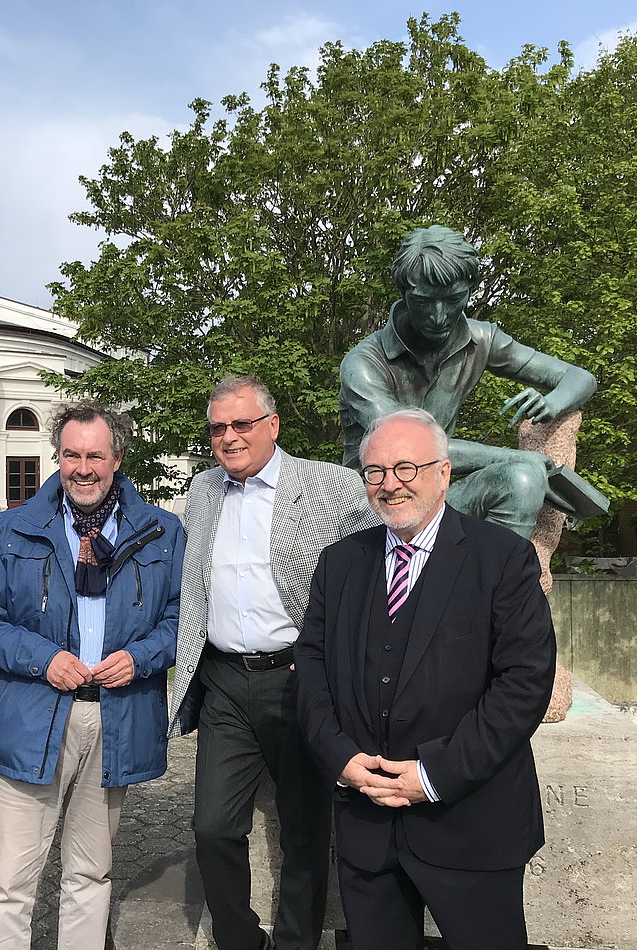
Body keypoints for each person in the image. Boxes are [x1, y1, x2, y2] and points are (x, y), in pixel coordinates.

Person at [295, 408, 556, 950]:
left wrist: (433, 774)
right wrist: (339, 757)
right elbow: (312, 671)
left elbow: (524, 684)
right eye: (376, 471)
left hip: (471, 824)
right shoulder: (339, 564)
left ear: (445, 473)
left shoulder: (502, 558)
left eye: (406, 468)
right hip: (366, 824)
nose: (390, 484)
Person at [0, 403, 184, 950]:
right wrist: (43, 657)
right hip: (35, 711)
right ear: (57, 457)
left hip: (115, 714)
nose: (82, 468)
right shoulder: (12, 528)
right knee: (9, 882)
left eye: (95, 456)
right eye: (71, 455)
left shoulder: (161, 531)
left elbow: (184, 619)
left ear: (118, 458)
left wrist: (143, 656)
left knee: (90, 873)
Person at [168, 375, 377, 950]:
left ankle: (295, 943)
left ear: (273, 426)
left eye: (242, 424)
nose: (229, 437)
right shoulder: (203, 488)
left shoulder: (332, 485)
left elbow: (372, 572)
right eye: (218, 428)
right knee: (211, 826)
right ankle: (241, 940)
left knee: (305, 831)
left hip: (298, 679)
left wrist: (334, 661)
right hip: (226, 682)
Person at [339, 224, 597, 538]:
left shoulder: (482, 338)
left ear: (469, 290)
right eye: (423, 302)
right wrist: (521, 456)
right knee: (524, 466)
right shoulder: (363, 364)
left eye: (453, 300)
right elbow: (408, 449)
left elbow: (580, 377)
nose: (438, 316)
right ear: (404, 293)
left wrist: (551, 403)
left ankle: (504, 585)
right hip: (376, 511)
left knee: (522, 479)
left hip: (437, 501)